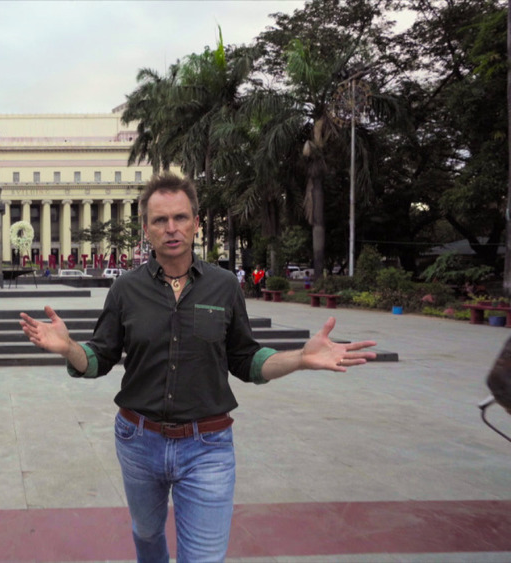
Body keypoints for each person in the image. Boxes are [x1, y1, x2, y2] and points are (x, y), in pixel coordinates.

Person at [19, 172, 377, 563]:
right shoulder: (126, 289)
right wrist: (69, 348)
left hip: (207, 447)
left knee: (204, 557)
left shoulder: (223, 286)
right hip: (139, 441)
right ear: (146, 229)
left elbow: (246, 359)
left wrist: (301, 359)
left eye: (181, 217)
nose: (171, 228)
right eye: (160, 220)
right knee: (147, 533)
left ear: (196, 223)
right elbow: (99, 358)